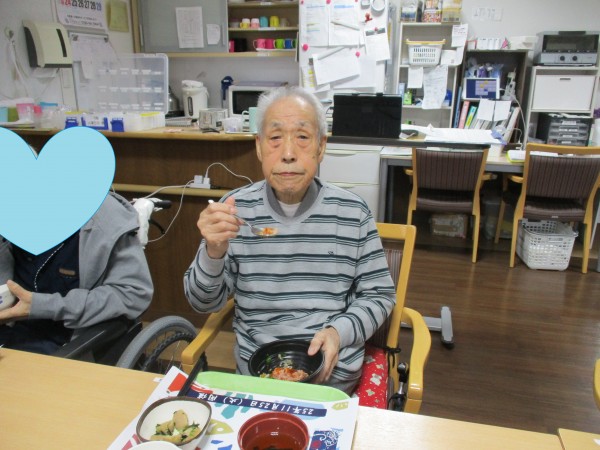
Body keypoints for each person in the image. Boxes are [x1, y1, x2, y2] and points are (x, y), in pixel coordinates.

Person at [184, 85, 396, 394]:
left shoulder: (352, 212)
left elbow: (379, 295)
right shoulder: (234, 210)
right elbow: (202, 302)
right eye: (275, 138)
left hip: (333, 379)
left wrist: (338, 333)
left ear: (321, 147)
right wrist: (213, 251)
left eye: (302, 137)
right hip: (256, 379)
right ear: (259, 147)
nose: (287, 154)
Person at [0, 192, 153, 355]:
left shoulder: (105, 218)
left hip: (66, 337)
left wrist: (42, 306)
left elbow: (132, 294)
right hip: (10, 326)